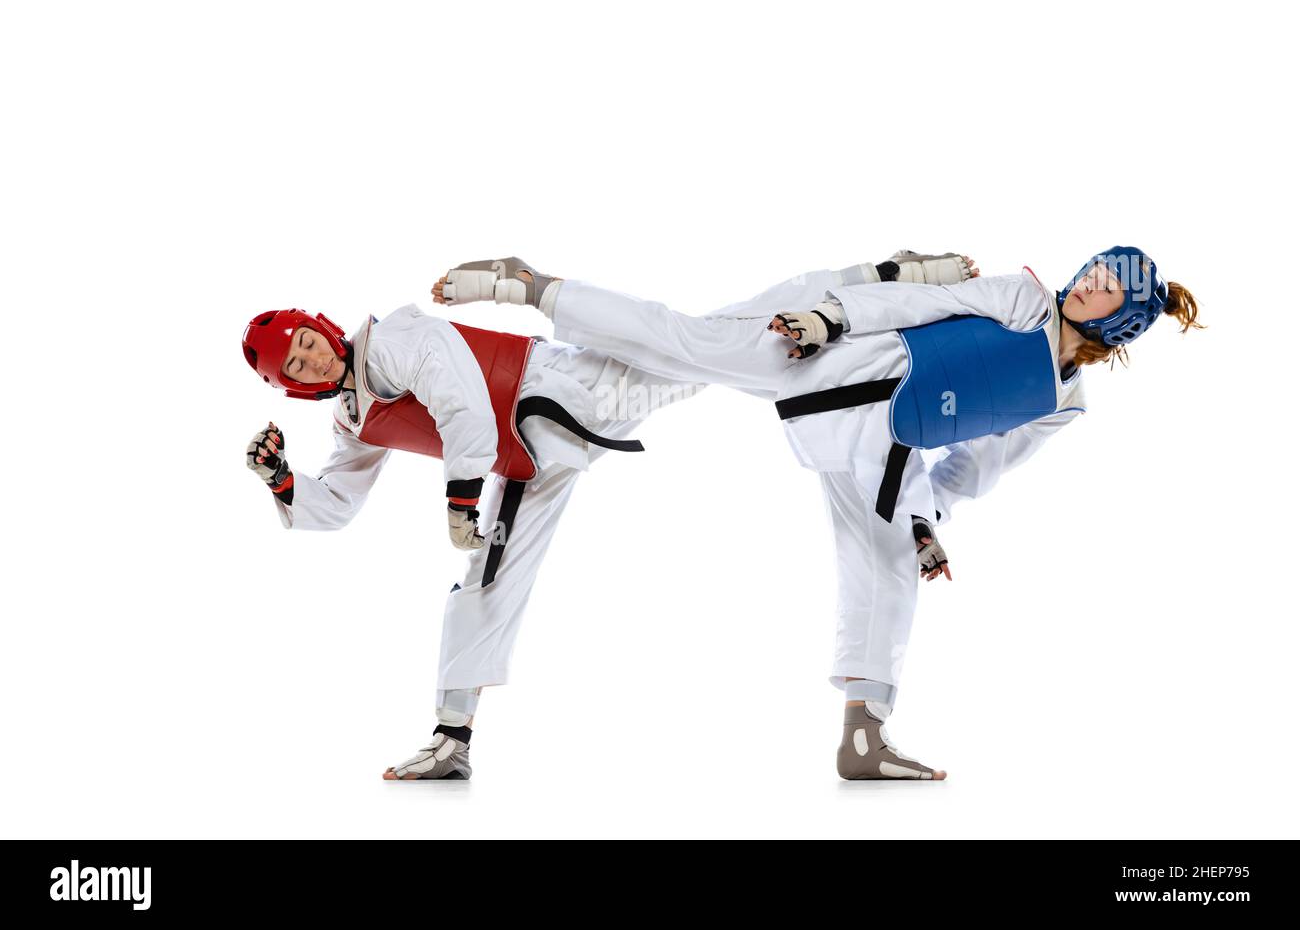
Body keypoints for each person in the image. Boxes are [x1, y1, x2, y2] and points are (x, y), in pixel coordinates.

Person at [432, 247, 1203, 780]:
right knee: (682, 342)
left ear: (1119, 322)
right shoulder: (1023, 298)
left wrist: (928, 520)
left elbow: (978, 466)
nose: (1088, 280)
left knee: (889, 559)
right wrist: (832, 316)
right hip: (825, 354)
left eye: (1107, 285)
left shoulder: (1063, 400)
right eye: (1097, 267)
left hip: (877, 445)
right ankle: (529, 286)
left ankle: (865, 729)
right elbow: (922, 300)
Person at [242, 304, 698, 779]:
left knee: (693, 360)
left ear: (325, 329)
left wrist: (461, 499)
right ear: (294, 387)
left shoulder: (391, 342)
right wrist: (282, 479)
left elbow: (465, 404)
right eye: (297, 365)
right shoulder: (352, 418)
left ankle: (776, 331)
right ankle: (451, 743)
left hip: (561, 393)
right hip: (528, 461)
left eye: (309, 343)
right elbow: (339, 501)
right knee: (485, 584)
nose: (314, 360)